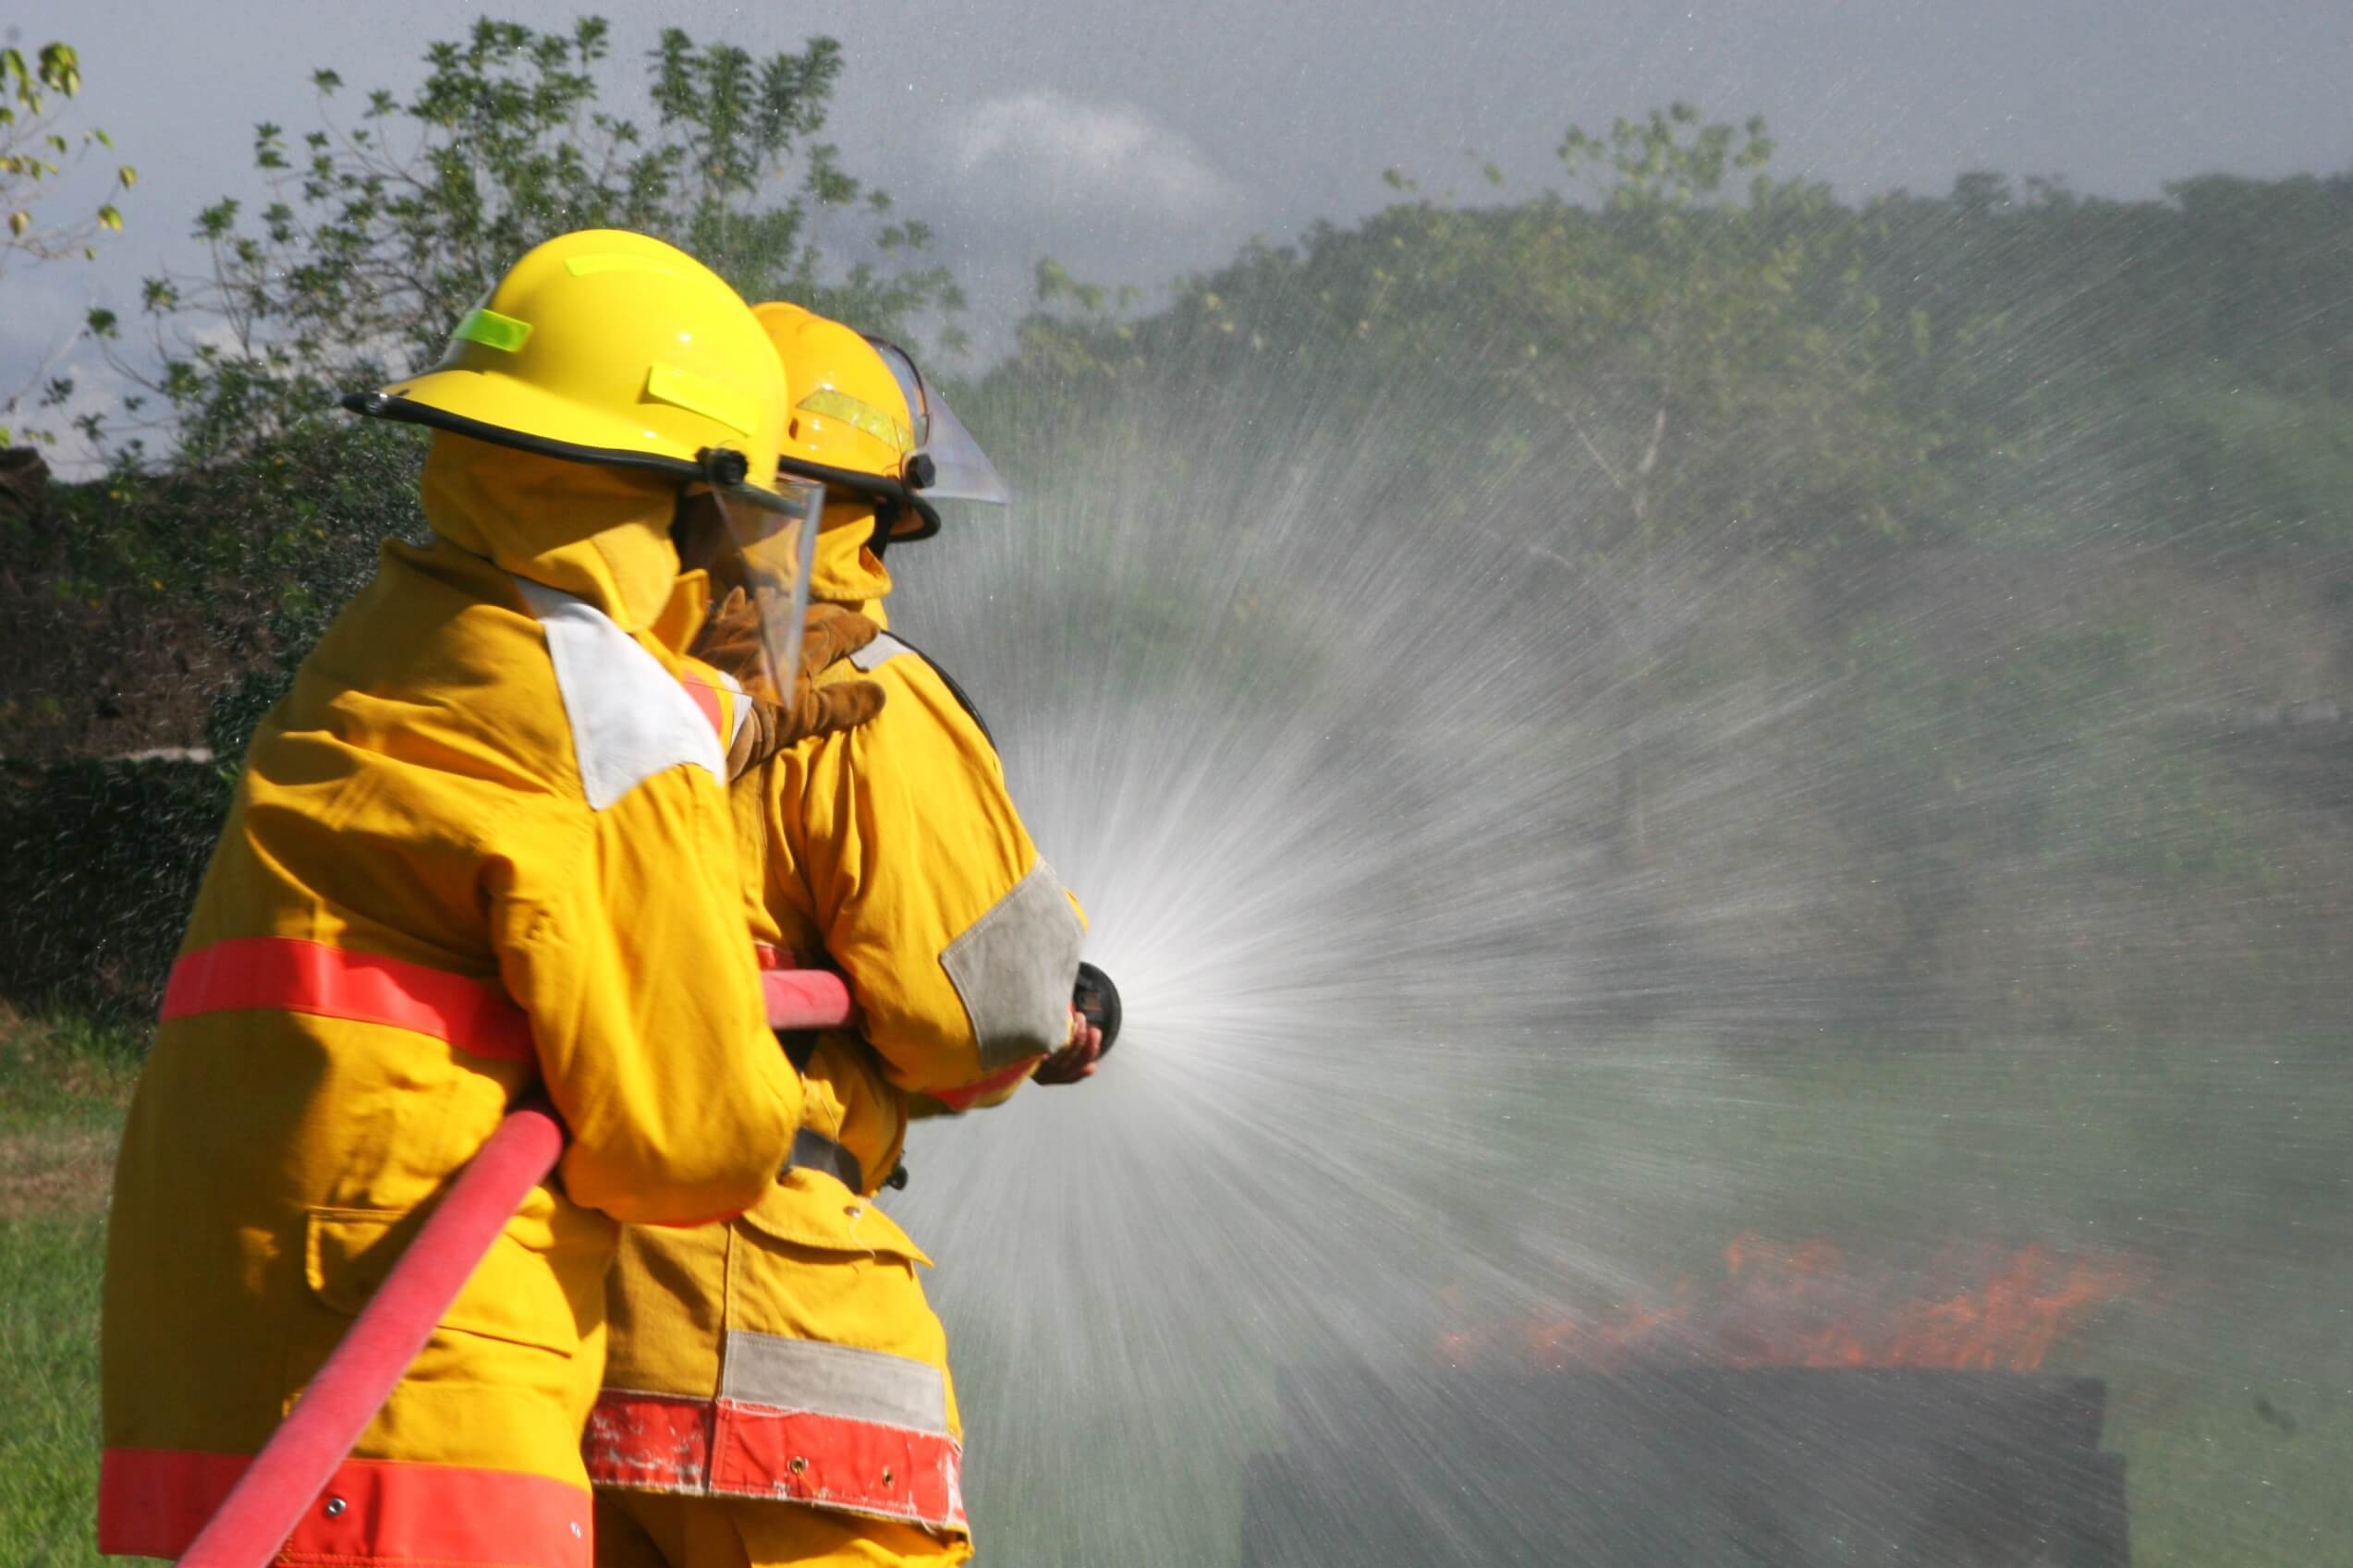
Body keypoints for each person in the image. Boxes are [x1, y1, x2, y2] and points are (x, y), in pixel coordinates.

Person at [98, 231, 865, 1568]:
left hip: (215, 1364)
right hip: (418, 1372)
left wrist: (706, 721)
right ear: (685, 500)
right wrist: (813, 1087)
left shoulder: (389, 637)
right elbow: (680, 1139)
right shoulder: (609, 720)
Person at [587, 303, 1100, 1568]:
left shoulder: (585, 661)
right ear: (873, 505)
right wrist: (1058, 1003)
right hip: (769, 1308)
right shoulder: (859, 691)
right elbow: (980, 1012)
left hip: (560, 1312)